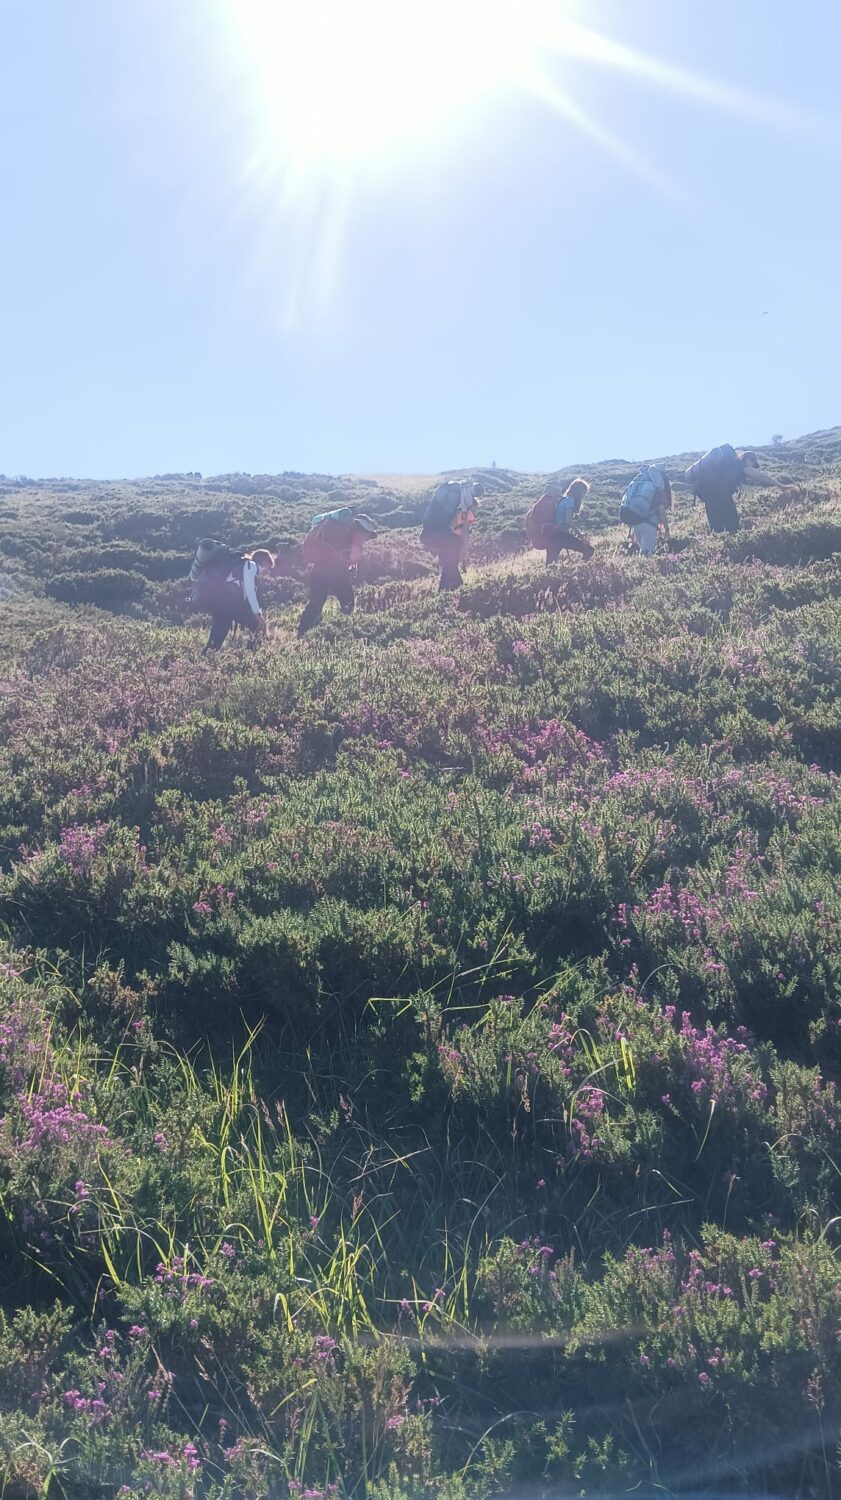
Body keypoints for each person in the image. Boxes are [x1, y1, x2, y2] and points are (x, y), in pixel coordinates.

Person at [297, 507, 377, 635]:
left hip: (318, 570)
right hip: (336, 572)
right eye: (366, 534)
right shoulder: (346, 536)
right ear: (360, 528)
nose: (366, 538)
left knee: (315, 605)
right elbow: (350, 556)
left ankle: (301, 633)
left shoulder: (339, 530)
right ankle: (344, 631)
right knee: (348, 602)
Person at [684, 444, 798, 533]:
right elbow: (762, 477)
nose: (753, 466)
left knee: (717, 530)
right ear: (747, 459)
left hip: (709, 499)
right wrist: (781, 486)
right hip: (722, 498)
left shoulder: (728, 467)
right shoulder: (741, 466)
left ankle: (721, 552)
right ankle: (735, 550)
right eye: (753, 463)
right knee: (733, 527)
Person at [189, 539, 273, 653]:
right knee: (257, 625)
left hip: (220, 603)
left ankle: (204, 658)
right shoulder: (251, 565)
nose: (268, 571)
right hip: (229, 602)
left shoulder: (242, 565)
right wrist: (258, 615)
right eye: (269, 567)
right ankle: (250, 655)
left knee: (216, 638)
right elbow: (249, 591)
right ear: (264, 562)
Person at [421, 479, 484, 591]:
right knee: (451, 566)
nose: (475, 513)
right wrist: (463, 550)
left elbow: (452, 524)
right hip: (446, 538)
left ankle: (448, 591)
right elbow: (464, 531)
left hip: (431, 533)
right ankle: (458, 590)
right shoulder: (468, 511)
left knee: (449, 566)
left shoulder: (458, 508)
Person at [525, 477, 595, 563]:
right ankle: (582, 568)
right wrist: (580, 535)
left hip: (551, 536)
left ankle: (578, 568)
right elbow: (568, 521)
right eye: (584, 492)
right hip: (559, 536)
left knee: (550, 565)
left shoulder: (563, 500)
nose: (584, 496)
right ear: (579, 493)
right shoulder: (570, 500)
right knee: (589, 550)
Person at [619, 466, 672, 556]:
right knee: (647, 555)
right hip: (649, 525)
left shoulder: (643, 487)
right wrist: (667, 529)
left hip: (636, 524)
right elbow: (661, 510)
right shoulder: (659, 490)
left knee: (643, 554)